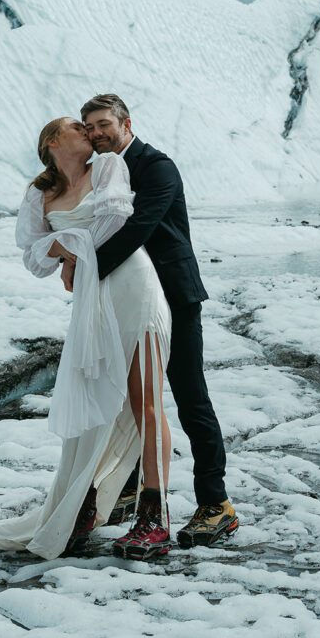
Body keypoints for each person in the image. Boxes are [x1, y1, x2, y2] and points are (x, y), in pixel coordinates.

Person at [0, 116, 173, 561]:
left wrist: (69, 249)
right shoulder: (40, 193)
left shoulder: (108, 169)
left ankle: (154, 518)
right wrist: (69, 253)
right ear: (53, 141)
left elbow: (117, 219)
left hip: (133, 287)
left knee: (145, 402)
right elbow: (33, 254)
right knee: (91, 399)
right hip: (91, 299)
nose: (90, 132)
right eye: (79, 126)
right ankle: (81, 502)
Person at [75, 94, 238, 549]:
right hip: (129, 299)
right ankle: (129, 491)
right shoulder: (101, 170)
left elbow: (137, 227)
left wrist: (86, 272)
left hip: (173, 296)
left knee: (189, 397)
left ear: (127, 123)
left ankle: (216, 505)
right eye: (88, 127)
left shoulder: (157, 167)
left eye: (103, 123)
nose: (96, 133)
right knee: (128, 395)